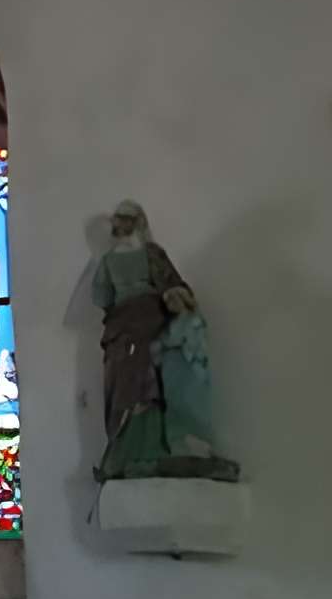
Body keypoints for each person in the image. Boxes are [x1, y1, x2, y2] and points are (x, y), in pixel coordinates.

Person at [90, 203, 233, 481]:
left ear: (137, 223)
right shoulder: (108, 262)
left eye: (125, 221)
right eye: (119, 221)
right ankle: (127, 452)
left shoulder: (151, 254)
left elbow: (172, 284)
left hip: (152, 323)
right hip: (122, 330)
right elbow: (101, 298)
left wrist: (177, 298)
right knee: (125, 386)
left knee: (154, 384)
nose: (121, 226)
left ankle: (161, 447)